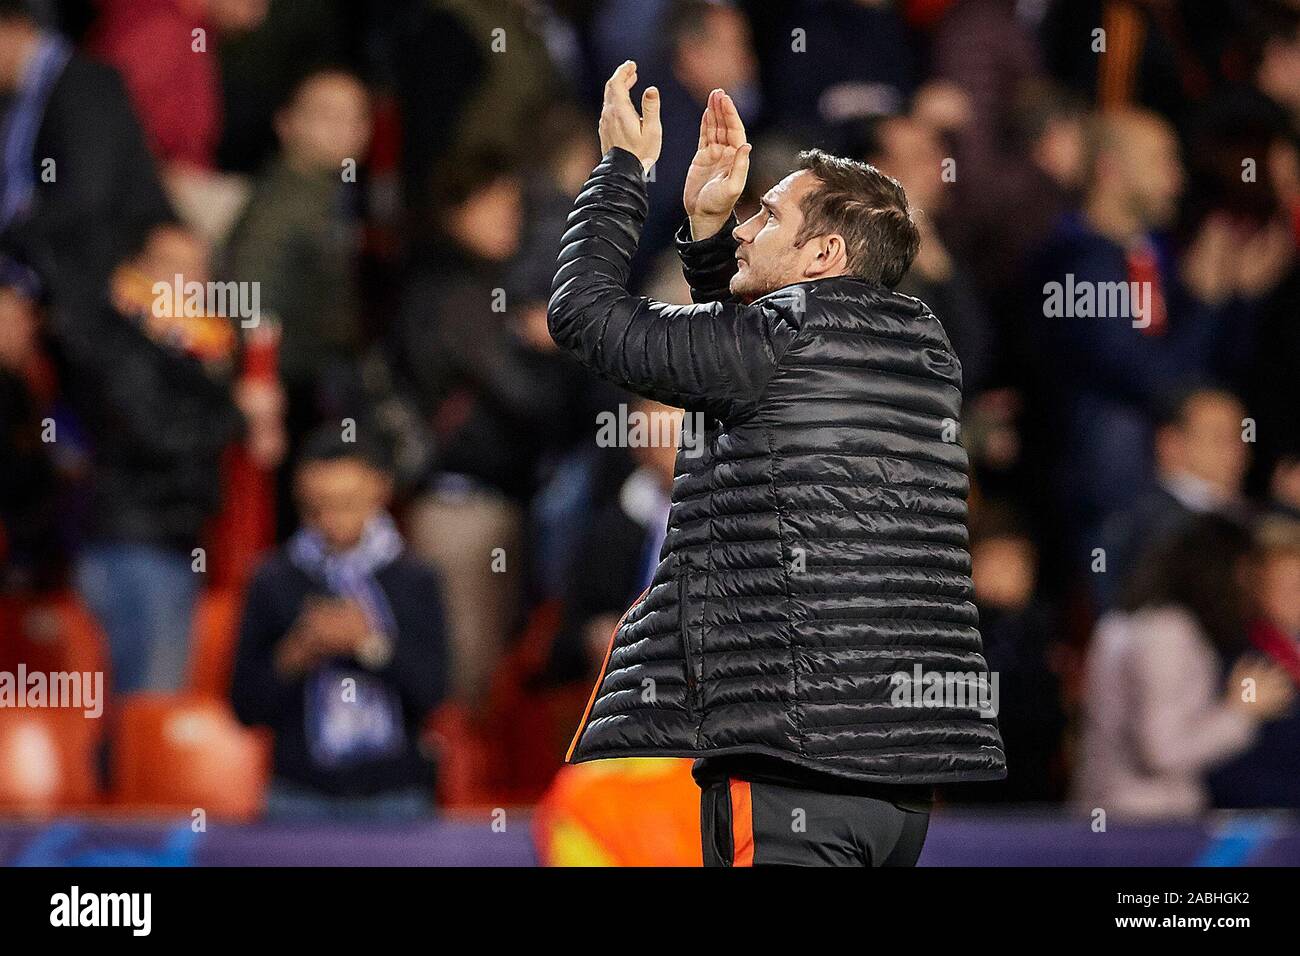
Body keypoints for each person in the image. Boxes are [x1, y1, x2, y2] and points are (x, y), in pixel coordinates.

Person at [548, 63, 1005, 867]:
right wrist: (710, 238)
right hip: (897, 785)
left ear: (824, 251)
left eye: (766, 214)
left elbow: (585, 316)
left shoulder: (778, 342)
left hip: (792, 765)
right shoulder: (926, 350)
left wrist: (623, 170)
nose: (750, 225)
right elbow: (750, 383)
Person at [231, 429, 448, 821]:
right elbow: (245, 707)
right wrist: (295, 654)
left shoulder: (415, 579)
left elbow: (434, 693)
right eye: (316, 508)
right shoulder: (274, 578)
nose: (331, 521)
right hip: (298, 796)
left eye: (346, 504)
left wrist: (370, 645)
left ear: (379, 491)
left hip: (396, 798)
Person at [1073, 514, 1294, 820]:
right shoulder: (1167, 632)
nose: (1247, 588)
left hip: (1124, 815)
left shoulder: (1133, 620)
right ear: (1218, 569)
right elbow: (1162, 751)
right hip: (1144, 824)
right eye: (1244, 574)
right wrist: (1241, 711)